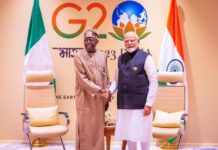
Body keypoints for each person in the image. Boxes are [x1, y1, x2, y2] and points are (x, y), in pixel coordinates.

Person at [108, 31, 158, 150]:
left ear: (138, 41)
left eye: (132, 40)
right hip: (124, 105)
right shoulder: (120, 59)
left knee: (143, 135)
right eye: (126, 41)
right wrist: (109, 91)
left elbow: (153, 82)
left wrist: (149, 104)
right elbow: (116, 80)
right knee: (129, 134)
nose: (129, 43)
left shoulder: (146, 58)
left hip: (142, 106)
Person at [74, 29, 110, 150]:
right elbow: (82, 79)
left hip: (100, 99)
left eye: (91, 39)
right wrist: (100, 91)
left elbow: (106, 76)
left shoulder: (103, 56)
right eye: (86, 40)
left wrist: (107, 95)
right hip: (84, 98)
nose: (88, 42)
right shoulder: (78, 56)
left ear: (97, 41)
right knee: (86, 129)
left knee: (98, 129)